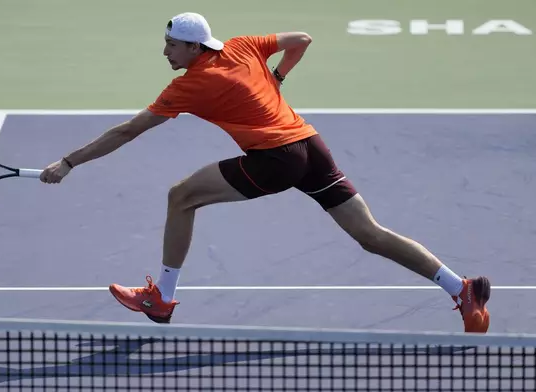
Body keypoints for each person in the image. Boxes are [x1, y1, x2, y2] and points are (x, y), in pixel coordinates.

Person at [39, 12, 491, 333]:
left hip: (276, 159)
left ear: (194, 47)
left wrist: (69, 162)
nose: (165, 52)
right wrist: (278, 77)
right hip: (311, 147)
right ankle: (461, 288)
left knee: (181, 196)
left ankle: (161, 299)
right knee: (369, 234)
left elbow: (128, 131)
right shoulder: (242, 45)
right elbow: (303, 39)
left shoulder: (190, 85)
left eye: (172, 45)